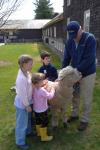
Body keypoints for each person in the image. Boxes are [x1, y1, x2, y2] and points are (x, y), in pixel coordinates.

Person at [62, 21, 96, 131]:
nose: (74, 38)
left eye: (75, 35)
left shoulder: (89, 39)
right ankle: (74, 114)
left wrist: (77, 72)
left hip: (88, 73)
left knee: (86, 97)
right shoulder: (69, 41)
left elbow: (89, 59)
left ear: (80, 30)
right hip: (75, 72)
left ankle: (84, 120)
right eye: (71, 36)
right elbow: (66, 58)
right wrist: (63, 72)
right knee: (75, 95)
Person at [14, 54, 33, 150]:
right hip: (22, 104)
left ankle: (28, 132)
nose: (32, 65)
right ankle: (20, 142)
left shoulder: (27, 72)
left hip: (28, 101)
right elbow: (22, 94)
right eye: (30, 64)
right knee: (21, 123)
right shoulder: (21, 78)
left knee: (28, 119)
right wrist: (27, 105)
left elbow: (29, 84)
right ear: (23, 64)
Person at [31, 72, 55, 141]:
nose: (43, 81)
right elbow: (50, 96)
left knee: (38, 121)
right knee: (45, 122)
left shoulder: (34, 88)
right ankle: (44, 137)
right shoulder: (42, 90)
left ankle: (39, 133)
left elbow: (40, 90)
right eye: (42, 81)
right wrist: (53, 90)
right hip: (43, 110)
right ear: (37, 83)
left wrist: (43, 86)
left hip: (36, 109)